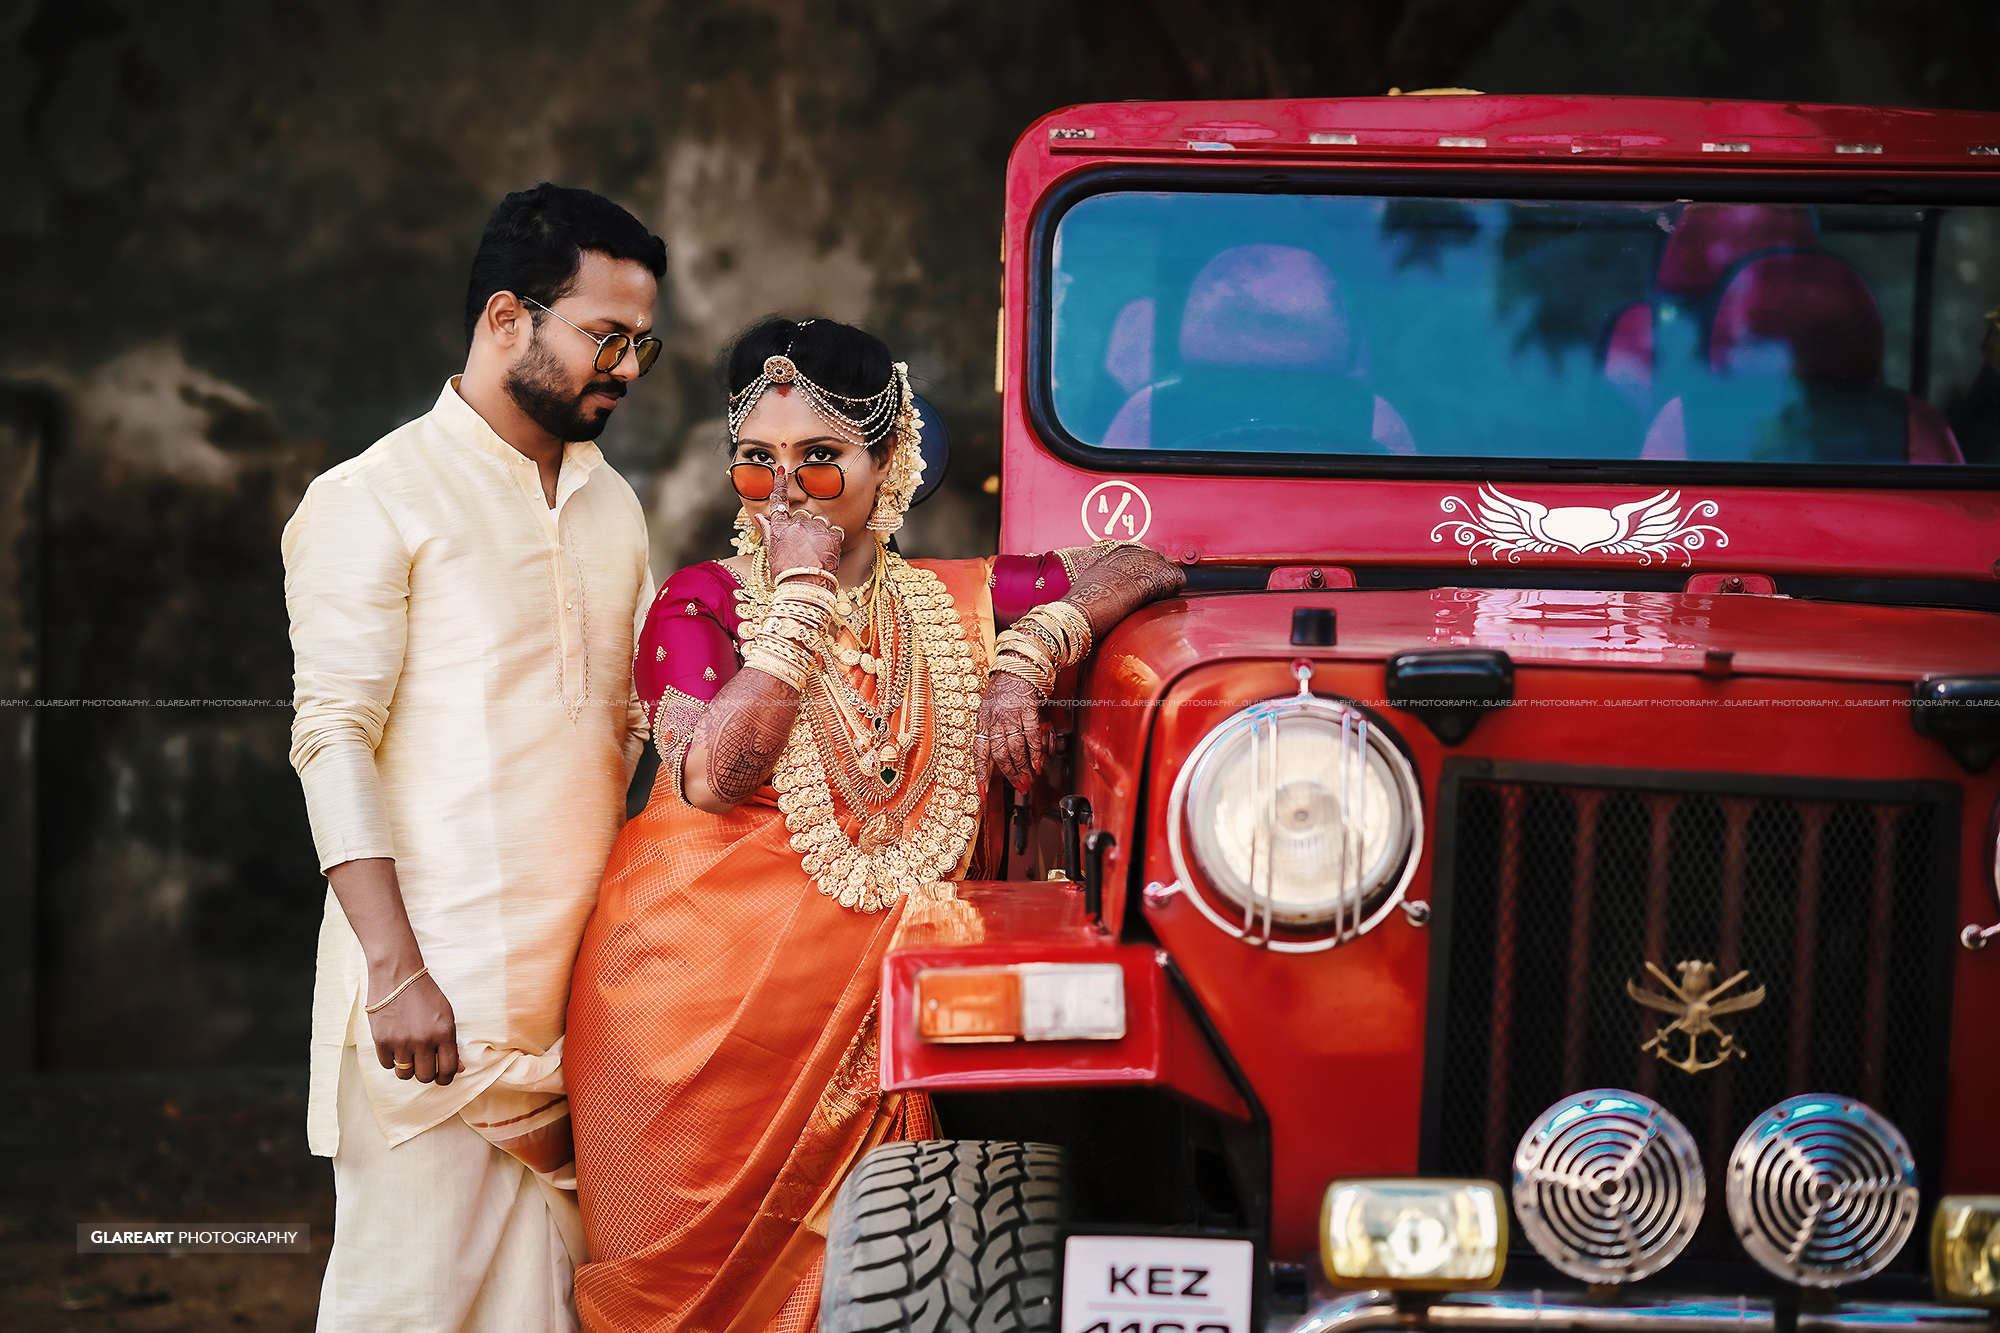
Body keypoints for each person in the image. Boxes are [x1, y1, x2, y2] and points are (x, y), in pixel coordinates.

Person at [564, 317, 1186, 1332]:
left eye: (819, 460)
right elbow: (716, 776)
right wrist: (801, 594)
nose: (783, 493)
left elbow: (1139, 563)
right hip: (681, 1029)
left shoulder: (958, 601)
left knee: (896, 1280)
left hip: (871, 1035)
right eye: (756, 463)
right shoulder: (699, 605)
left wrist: (1026, 654)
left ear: (887, 462)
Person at [283, 182, 666, 1332]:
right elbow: (329, 734)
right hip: (428, 1019)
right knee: (405, 1310)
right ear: (508, 317)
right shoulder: (373, 497)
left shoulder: (613, 507)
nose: (630, 369)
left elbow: (644, 731)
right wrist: (396, 970)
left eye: (644, 344)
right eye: (606, 337)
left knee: (541, 1314)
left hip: (571, 1022)